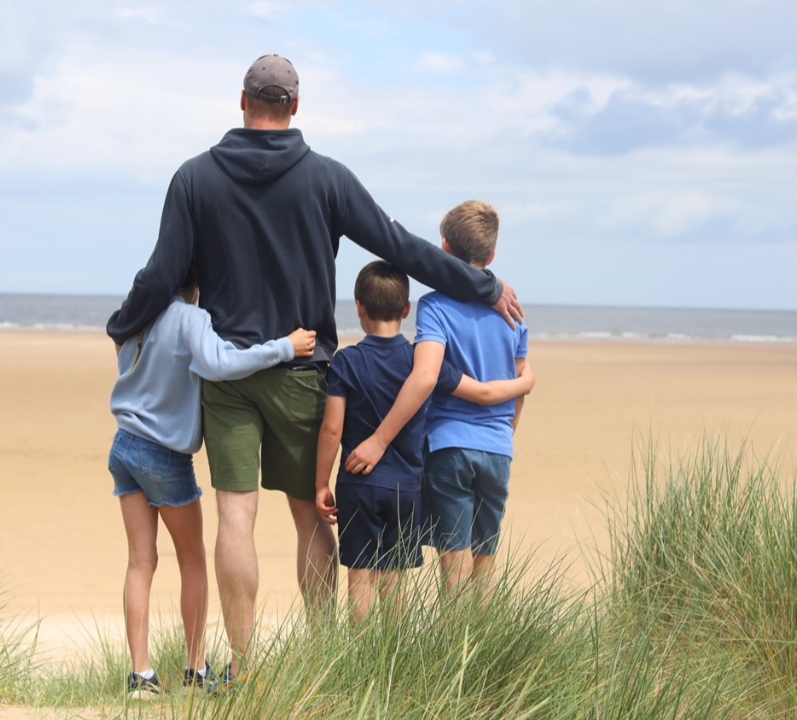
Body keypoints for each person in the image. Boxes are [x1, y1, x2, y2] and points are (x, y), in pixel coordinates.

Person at [105, 54, 525, 684]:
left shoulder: (194, 178)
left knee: (236, 516)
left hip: (229, 378)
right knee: (309, 514)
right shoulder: (326, 178)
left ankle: (242, 671)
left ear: (242, 100)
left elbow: (162, 276)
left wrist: (123, 324)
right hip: (306, 370)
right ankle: (326, 661)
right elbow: (400, 245)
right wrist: (481, 285)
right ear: (295, 107)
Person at [107, 267, 317, 698]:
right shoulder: (189, 318)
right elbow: (220, 363)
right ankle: (195, 669)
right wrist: (284, 347)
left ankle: (140, 676)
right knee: (193, 561)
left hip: (123, 446)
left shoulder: (135, 317)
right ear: (198, 284)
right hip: (163, 454)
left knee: (140, 562)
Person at [314, 261, 533, 621]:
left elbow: (332, 430)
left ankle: (359, 657)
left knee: (361, 575)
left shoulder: (346, 361)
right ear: (406, 310)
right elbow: (478, 391)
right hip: (408, 487)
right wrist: (524, 384)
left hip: (358, 484)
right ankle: (395, 658)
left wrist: (321, 482)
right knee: (395, 579)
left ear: (359, 307)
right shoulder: (422, 363)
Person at [343, 201, 528, 590]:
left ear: (443, 249)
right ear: (492, 254)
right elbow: (520, 381)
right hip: (498, 448)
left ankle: (453, 649)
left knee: (454, 563)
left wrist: (378, 441)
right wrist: (505, 432)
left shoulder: (435, 306)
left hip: (449, 447)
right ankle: (484, 647)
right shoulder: (512, 312)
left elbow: (426, 377)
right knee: (485, 561)